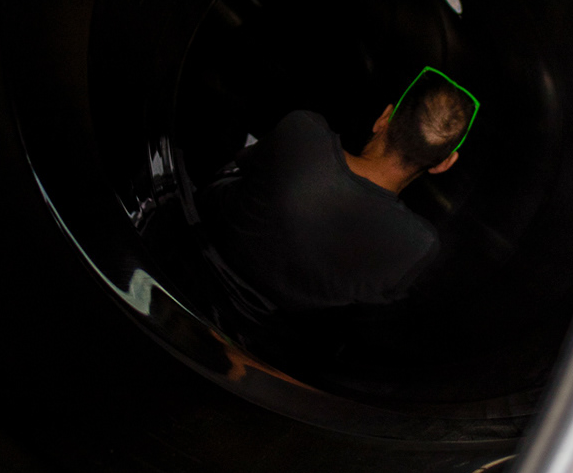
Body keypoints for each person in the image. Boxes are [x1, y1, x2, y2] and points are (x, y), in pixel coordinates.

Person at [201, 67, 478, 315]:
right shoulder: (418, 247)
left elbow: (238, 169)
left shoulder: (302, 133)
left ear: (383, 119)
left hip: (195, 257)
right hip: (260, 332)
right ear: (444, 164)